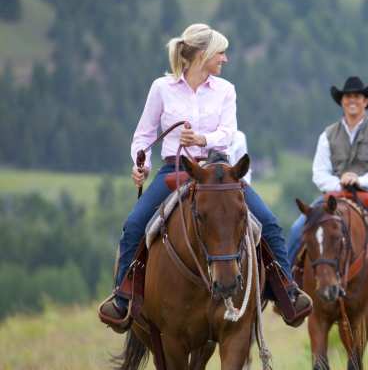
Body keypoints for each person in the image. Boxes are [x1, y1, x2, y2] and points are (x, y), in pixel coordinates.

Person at [98, 23, 310, 330]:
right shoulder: (161, 88)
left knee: (269, 222)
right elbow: (143, 136)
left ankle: (285, 288)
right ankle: (124, 295)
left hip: (218, 172)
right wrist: (139, 163)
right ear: (202, 54)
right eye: (220, 53)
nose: (225, 59)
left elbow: (227, 132)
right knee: (134, 224)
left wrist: (200, 140)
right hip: (175, 169)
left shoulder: (226, 91)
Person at [287, 76, 368, 260]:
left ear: (366, 101)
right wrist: (340, 183)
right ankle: (288, 283)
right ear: (341, 101)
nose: (352, 100)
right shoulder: (328, 134)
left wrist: (360, 181)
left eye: (357, 96)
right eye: (347, 97)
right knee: (296, 230)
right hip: (335, 197)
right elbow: (319, 173)